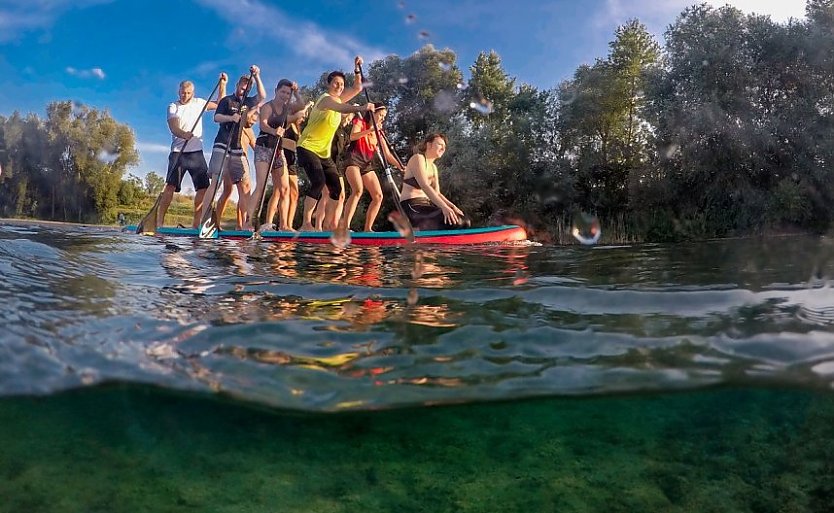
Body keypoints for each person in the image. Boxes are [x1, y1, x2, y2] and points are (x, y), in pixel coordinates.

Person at [296, 56, 374, 232]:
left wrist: (356, 68)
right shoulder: (325, 99)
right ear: (329, 84)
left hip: (323, 153)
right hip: (307, 147)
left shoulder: (339, 99)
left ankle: (330, 226)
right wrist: (361, 108)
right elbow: (341, 108)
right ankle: (306, 224)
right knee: (318, 181)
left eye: (341, 84)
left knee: (336, 190)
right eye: (335, 83)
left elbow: (357, 87)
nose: (339, 86)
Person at [158, 74, 226, 228]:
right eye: (183, 92)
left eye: (189, 93)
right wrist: (183, 134)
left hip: (196, 153)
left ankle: (196, 225)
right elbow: (174, 126)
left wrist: (222, 84)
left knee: (203, 188)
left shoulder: (199, 102)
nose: (185, 95)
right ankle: (159, 222)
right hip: (178, 152)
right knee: (170, 187)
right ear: (179, 92)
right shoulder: (173, 106)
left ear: (193, 93)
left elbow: (220, 104)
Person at [203, 66, 266, 230]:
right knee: (216, 182)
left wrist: (257, 76)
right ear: (238, 85)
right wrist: (231, 117)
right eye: (242, 85)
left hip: (237, 148)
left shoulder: (248, 102)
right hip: (222, 144)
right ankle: (206, 220)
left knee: (244, 185)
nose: (244, 88)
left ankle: (245, 224)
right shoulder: (226, 100)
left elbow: (262, 96)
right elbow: (216, 117)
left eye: (247, 86)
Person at [251, 79, 306, 231]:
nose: (285, 95)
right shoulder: (268, 106)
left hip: (278, 150)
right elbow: (263, 124)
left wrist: (296, 92)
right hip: (263, 146)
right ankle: (248, 223)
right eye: (283, 92)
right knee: (261, 186)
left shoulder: (288, 107)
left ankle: (285, 226)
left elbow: (301, 105)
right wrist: (274, 131)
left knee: (284, 188)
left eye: (288, 93)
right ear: (276, 91)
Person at [340, 103, 402, 232]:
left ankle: (368, 229)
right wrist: (370, 130)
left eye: (384, 117)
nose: (382, 119)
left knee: (378, 196)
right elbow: (352, 137)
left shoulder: (379, 133)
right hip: (353, 160)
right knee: (357, 190)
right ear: (373, 113)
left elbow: (387, 154)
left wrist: (400, 166)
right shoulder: (360, 122)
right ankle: (345, 227)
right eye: (380, 115)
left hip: (366, 164)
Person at [400, 133, 469, 231]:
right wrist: (444, 207)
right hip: (412, 206)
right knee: (455, 221)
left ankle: (440, 241)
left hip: (426, 205)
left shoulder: (433, 168)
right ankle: (421, 233)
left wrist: (453, 207)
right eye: (440, 144)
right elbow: (425, 185)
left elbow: (437, 193)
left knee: (464, 221)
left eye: (444, 146)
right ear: (429, 145)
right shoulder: (418, 158)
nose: (443, 148)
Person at [314, 111, 354, 231]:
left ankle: (334, 225)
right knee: (326, 194)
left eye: (350, 120)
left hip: (337, 165)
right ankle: (318, 227)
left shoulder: (343, 133)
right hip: (326, 162)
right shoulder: (331, 125)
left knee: (341, 196)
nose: (348, 122)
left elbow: (351, 141)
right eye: (347, 119)